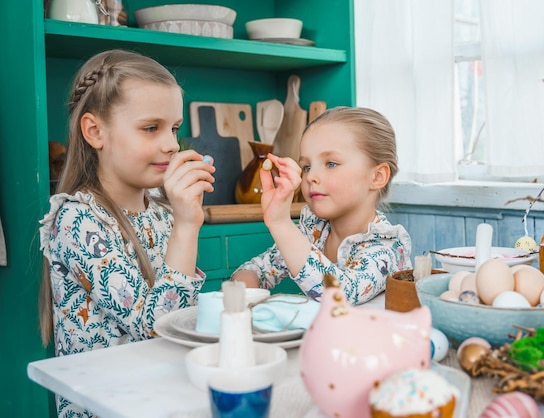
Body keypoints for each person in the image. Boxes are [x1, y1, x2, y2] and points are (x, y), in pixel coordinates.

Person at [38, 49, 215, 417]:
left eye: (175, 128)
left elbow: (182, 321)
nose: (171, 143)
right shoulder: (77, 221)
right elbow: (157, 329)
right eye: (151, 128)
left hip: (161, 401)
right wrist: (186, 225)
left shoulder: (161, 214)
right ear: (95, 131)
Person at [232, 106, 412, 305]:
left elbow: (340, 296)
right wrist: (245, 297)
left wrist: (280, 223)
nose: (310, 176)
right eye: (306, 166)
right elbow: (253, 271)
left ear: (377, 177)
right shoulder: (313, 230)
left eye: (331, 164)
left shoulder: (386, 246)